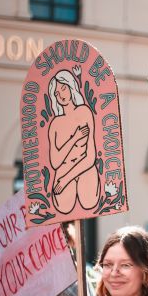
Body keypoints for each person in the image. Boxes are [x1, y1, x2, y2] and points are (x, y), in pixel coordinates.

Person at [48, 67, 100, 214]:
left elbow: (90, 157)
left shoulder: (84, 112)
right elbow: (55, 162)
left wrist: (65, 179)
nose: (61, 95)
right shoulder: (55, 124)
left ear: (71, 87)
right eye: (57, 93)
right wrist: (74, 138)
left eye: (63, 88)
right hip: (63, 171)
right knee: (64, 207)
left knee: (89, 202)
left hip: (85, 169)